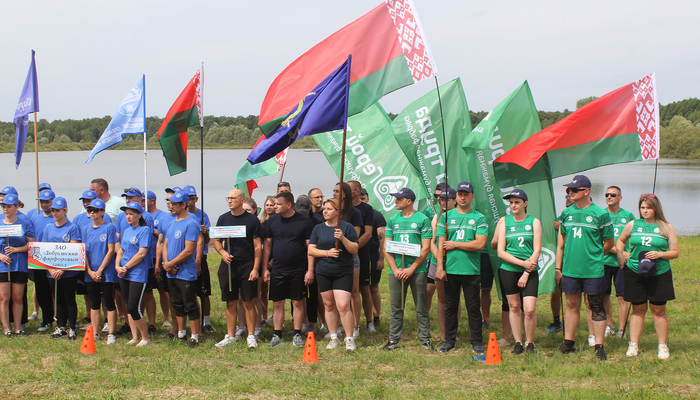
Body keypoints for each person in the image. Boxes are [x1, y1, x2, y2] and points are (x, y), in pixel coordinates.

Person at [556, 175, 614, 361]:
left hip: (593, 270)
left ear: (586, 192)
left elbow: (609, 242)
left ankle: (599, 346)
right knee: (572, 304)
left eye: (573, 190)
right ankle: (568, 343)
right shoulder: (566, 214)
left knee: (595, 305)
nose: (570, 193)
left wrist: (595, 256)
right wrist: (559, 268)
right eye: (569, 190)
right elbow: (561, 243)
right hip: (571, 269)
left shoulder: (600, 214)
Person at [616, 194, 678, 359]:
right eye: (642, 208)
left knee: (658, 310)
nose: (645, 211)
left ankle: (663, 346)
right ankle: (633, 344)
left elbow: (675, 252)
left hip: (659, 273)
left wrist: (660, 254)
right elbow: (620, 241)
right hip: (635, 272)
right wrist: (621, 256)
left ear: (656, 209)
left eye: (648, 208)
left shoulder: (666, 227)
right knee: (638, 309)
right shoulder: (633, 224)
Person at [436, 182, 488, 354]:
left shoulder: (479, 217)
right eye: (460, 194)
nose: (463, 197)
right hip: (450, 270)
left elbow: (480, 244)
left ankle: (476, 341)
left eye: (466, 194)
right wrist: (440, 267)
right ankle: (449, 340)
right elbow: (441, 244)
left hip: (471, 270)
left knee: (473, 307)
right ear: (456, 196)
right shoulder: (445, 217)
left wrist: (456, 244)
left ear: (472, 196)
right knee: (450, 306)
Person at [381, 188, 432, 351]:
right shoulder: (392, 220)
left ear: (409, 201)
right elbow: (386, 248)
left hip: (417, 271)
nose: (395, 201)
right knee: (396, 307)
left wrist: (411, 268)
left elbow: (425, 248)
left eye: (398, 199)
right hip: (395, 271)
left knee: (421, 307)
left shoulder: (423, 219)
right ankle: (393, 340)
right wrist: (395, 269)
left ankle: (425, 340)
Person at [262, 191, 314, 348]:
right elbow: (268, 245)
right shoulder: (272, 221)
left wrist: (310, 270)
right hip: (277, 269)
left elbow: (309, 247)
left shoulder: (304, 222)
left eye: (278, 204)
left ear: (289, 205)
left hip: (298, 269)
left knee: (298, 302)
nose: (275, 207)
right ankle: (277, 334)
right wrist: (265, 268)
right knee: (278, 303)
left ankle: (297, 333)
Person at [213, 189, 263, 349]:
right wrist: (222, 252)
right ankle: (231, 335)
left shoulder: (252, 220)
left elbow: (257, 246)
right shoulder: (223, 218)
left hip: (247, 264)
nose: (230, 201)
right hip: (228, 266)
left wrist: (255, 268)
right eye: (228, 198)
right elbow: (217, 241)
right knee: (230, 302)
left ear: (242, 200)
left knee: (248, 301)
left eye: (233, 198)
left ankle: (251, 335)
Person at [308, 198, 359, 350]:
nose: (325, 211)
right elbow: (311, 250)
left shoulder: (347, 227)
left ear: (338, 212)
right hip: (323, 271)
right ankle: (333, 336)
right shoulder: (318, 229)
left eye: (329, 209)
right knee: (329, 305)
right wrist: (327, 253)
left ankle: (349, 338)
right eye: (324, 208)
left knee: (343, 305)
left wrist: (342, 238)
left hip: (343, 271)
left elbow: (355, 249)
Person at [496, 189, 542, 354]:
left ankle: (530, 342)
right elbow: (501, 252)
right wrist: (522, 264)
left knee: (529, 309)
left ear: (525, 203)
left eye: (517, 202)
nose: (513, 205)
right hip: (508, 269)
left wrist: (526, 271)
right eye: (511, 202)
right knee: (514, 306)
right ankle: (518, 343)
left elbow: (537, 250)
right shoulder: (504, 222)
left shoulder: (534, 222)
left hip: (529, 271)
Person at [163, 190, 202, 347]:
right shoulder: (172, 222)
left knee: (190, 304)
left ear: (183, 205)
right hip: (171, 272)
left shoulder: (191, 223)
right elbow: (165, 244)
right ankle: (181, 333)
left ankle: (195, 337)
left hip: (185, 272)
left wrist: (171, 264)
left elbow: (188, 250)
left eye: (174, 204)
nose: (170, 206)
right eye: (170, 203)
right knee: (177, 303)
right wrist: (166, 264)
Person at [81, 198, 119, 344]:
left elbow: (110, 251)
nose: (92, 212)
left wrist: (100, 270)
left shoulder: (109, 227)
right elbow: (83, 251)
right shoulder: (85, 229)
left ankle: (111, 333)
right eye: (89, 210)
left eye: (95, 210)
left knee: (109, 302)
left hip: (106, 272)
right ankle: (95, 331)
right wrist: (90, 271)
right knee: (94, 302)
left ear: (102, 212)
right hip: (90, 272)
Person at [44, 197, 82, 340]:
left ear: (65, 211)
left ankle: (72, 327)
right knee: (58, 299)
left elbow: (74, 250)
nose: (55, 213)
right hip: (52, 272)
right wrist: (51, 270)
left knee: (69, 299)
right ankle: (61, 327)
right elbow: (44, 251)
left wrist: (62, 269)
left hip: (69, 272)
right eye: (53, 210)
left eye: (58, 210)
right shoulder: (48, 228)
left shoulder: (72, 228)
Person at [114, 202, 151, 347]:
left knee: (135, 307)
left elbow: (141, 253)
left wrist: (126, 266)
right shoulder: (127, 231)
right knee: (128, 305)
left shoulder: (145, 230)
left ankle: (145, 337)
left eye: (131, 214)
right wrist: (117, 266)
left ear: (139, 215)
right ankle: (135, 336)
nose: (128, 216)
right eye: (126, 214)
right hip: (123, 273)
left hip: (136, 273)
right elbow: (121, 251)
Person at [601, 186, 635, 338]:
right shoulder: (601, 215)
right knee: (604, 295)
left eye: (613, 195)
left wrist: (631, 254)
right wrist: (621, 252)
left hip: (622, 264)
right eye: (607, 194)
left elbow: (634, 237)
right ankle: (609, 325)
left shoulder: (628, 216)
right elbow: (602, 241)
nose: (609, 197)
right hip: (605, 261)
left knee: (622, 296)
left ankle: (622, 330)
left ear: (620, 198)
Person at [0, 193, 35, 337]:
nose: (6, 209)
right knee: (4, 298)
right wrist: (1, 255)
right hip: (3, 265)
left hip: (19, 264)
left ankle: (18, 327)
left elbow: (32, 245)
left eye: (9, 206)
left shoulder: (25, 224)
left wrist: (17, 249)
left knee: (18, 297)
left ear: (16, 207)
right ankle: (6, 328)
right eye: (3, 206)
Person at [183, 185, 213, 333]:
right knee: (190, 292)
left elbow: (207, 240)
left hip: (200, 258)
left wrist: (205, 232)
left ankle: (206, 323)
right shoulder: (180, 217)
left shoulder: (203, 215)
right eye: (187, 198)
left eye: (193, 198)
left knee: (204, 293)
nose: (190, 201)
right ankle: (191, 321)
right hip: (185, 259)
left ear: (197, 199)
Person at [428, 187, 456, 341]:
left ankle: (454, 332)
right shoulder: (437, 216)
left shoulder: (458, 216)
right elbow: (432, 241)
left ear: (455, 201)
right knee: (442, 298)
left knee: (454, 298)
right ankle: (444, 333)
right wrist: (439, 259)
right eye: (441, 200)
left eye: (446, 200)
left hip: (454, 262)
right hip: (437, 262)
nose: (443, 202)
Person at [347, 181, 375, 335]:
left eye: (347, 189)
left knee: (364, 288)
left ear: (356, 192)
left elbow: (368, 233)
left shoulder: (366, 209)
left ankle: (369, 321)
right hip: (345, 254)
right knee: (348, 291)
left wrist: (355, 246)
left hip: (361, 254)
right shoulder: (342, 208)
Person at [546, 193, 574, 334]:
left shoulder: (581, 214)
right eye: (566, 196)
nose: (568, 198)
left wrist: (562, 229)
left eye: (571, 195)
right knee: (555, 290)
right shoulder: (561, 216)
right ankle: (557, 320)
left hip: (575, 259)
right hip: (560, 259)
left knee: (574, 295)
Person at [146, 191, 173, 332]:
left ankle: (166, 318)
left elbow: (164, 236)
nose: (142, 202)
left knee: (163, 289)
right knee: (147, 291)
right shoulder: (141, 215)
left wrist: (155, 231)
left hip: (160, 257)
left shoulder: (162, 216)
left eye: (145, 199)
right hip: (147, 257)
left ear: (152, 200)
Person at [30, 189, 57, 332]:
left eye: (47, 202)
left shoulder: (56, 217)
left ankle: (60, 317)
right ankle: (46, 319)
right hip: (38, 258)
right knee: (41, 290)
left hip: (54, 258)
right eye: (42, 202)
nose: (44, 205)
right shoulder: (35, 217)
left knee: (56, 290)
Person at [360, 188, 385, 329]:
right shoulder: (353, 214)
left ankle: (376, 317)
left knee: (373, 287)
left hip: (373, 254)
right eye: (360, 198)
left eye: (364, 198)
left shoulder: (376, 215)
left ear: (368, 199)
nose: (362, 201)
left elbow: (382, 238)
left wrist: (381, 258)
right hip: (357, 255)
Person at [258, 196, 276, 326]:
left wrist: (274, 259)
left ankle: (275, 317)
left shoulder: (279, 222)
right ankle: (263, 317)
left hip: (276, 260)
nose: (269, 207)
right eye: (267, 205)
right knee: (262, 290)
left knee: (275, 292)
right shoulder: (261, 224)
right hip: (264, 260)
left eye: (271, 205)